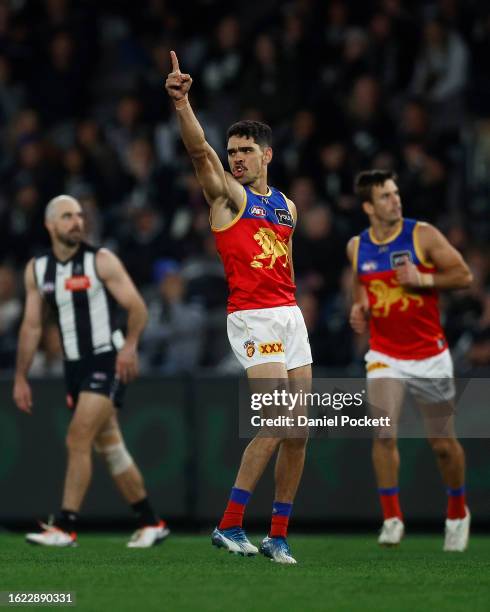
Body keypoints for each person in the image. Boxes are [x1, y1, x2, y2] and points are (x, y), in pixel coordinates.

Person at [165, 51, 312, 564]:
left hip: (288, 315)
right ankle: (229, 525)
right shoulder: (227, 197)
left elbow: (287, 263)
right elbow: (199, 152)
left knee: (298, 432)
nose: (237, 159)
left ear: (267, 155)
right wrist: (183, 103)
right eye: (233, 152)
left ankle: (278, 535)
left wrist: (294, 310)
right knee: (275, 421)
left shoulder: (286, 206)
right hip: (251, 316)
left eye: (246, 151)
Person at [13, 195, 169, 548]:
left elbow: (137, 307)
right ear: (50, 225)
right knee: (110, 447)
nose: (76, 222)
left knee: (77, 437)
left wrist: (129, 347)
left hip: (106, 360)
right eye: (67, 217)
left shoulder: (100, 260)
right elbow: (32, 327)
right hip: (73, 367)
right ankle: (150, 521)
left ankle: (65, 526)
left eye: (79, 216)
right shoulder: (37, 270)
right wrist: (21, 376)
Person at [347, 170, 472, 551]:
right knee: (384, 432)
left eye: (396, 193)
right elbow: (361, 287)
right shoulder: (357, 246)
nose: (395, 200)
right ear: (368, 206)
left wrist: (425, 280)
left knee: (442, 445)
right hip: (385, 353)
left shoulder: (423, 235)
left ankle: (456, 511)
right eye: (385, 196)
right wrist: (360, 309)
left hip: (429, 353)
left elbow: (464, 275)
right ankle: (392, 517)